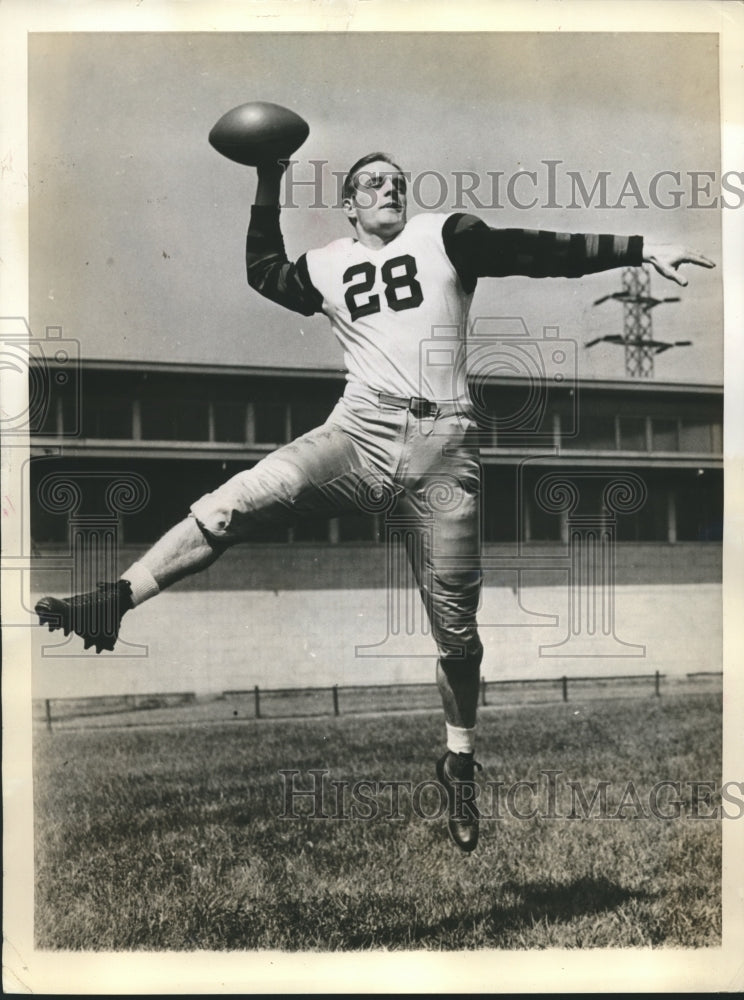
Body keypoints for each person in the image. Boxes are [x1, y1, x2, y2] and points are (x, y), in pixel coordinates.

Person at [35, 152, 714, 852]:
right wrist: (269, 177)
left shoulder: (442, 234)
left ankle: (458, 760)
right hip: (359, 429)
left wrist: (636, 249)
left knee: (457, 631)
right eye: (372, 183)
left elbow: (528, 250)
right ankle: (114, 601)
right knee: (232, 501)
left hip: (444, 444)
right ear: (348, 206)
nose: (389, 188)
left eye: (398, 181)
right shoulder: (327, 262)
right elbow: (263, 269)